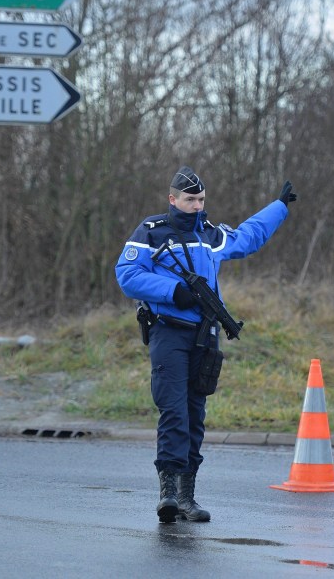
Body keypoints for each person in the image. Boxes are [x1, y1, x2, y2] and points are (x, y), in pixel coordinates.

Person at [115, 166, 296, 523]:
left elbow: (249, 236)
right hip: (168, 330)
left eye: (200, 200)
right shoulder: (151, 232)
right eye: (189, 199)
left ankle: (187, 497)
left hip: (205, 335)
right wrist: (173, 292)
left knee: (196, 415)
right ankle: (167, 493)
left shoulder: (211, 235)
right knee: (174, 411)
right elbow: (128, 275)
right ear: (173, 199)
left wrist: (278, 207)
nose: (196, 206)